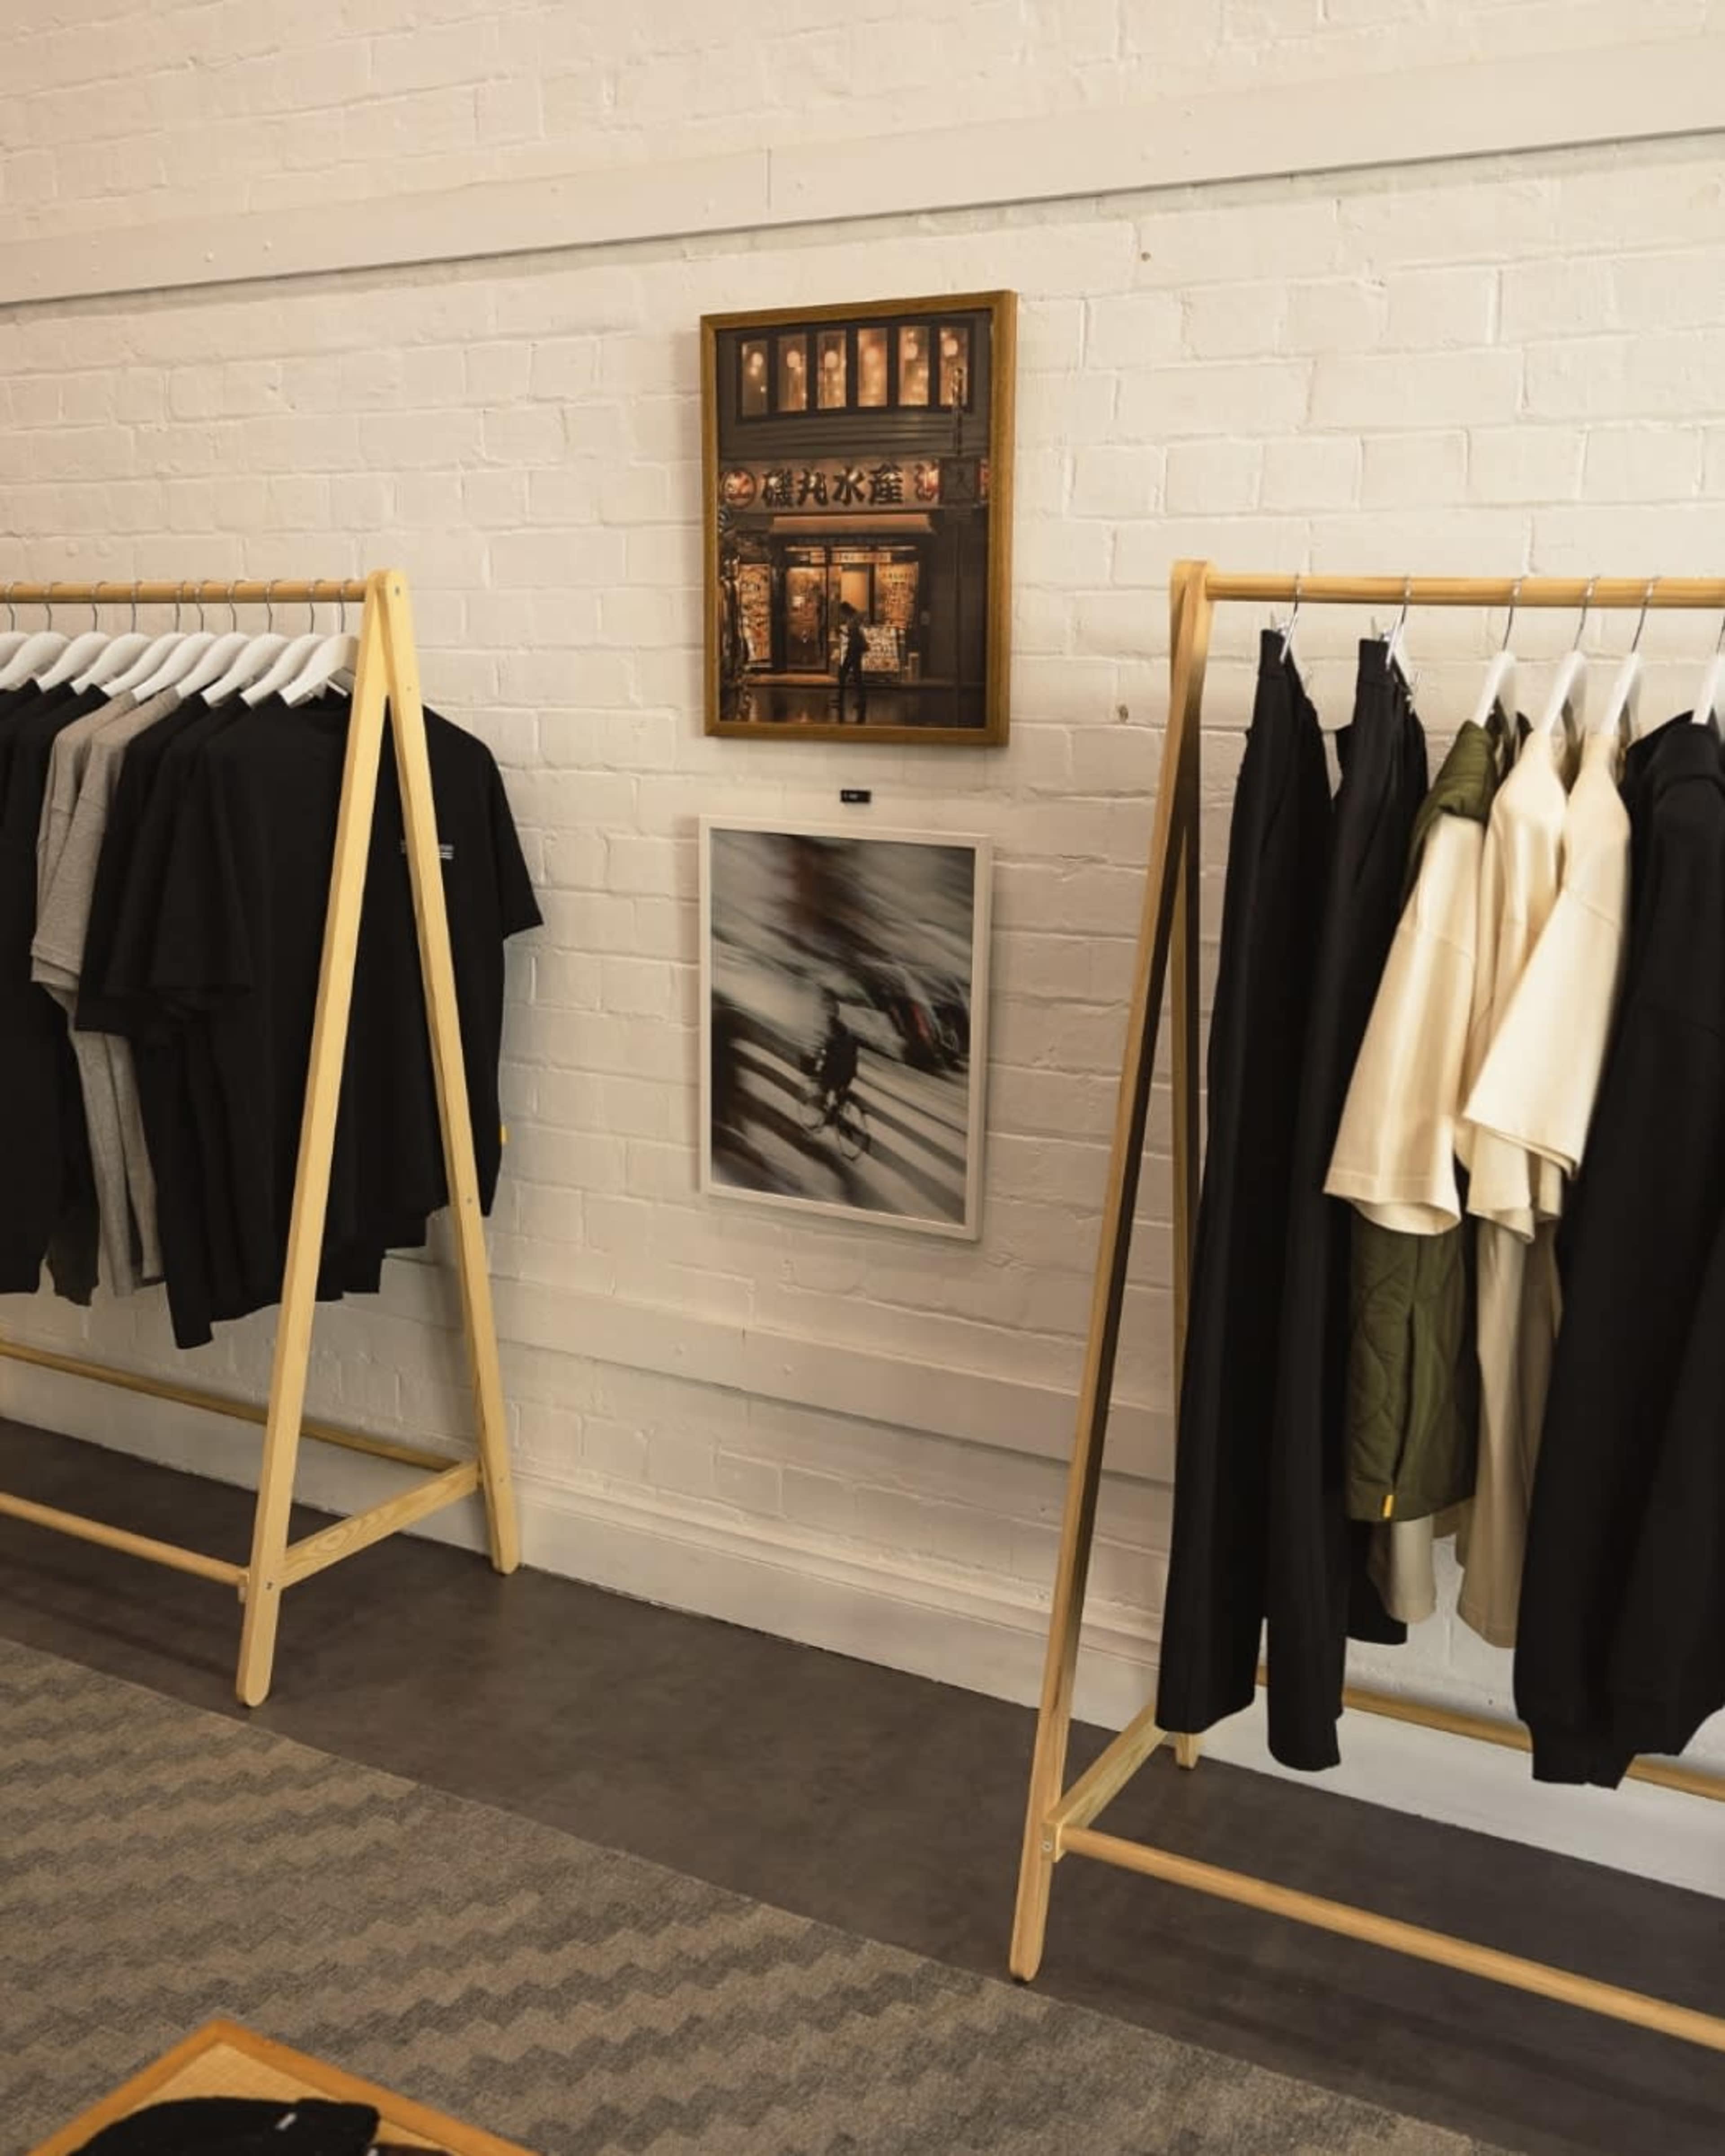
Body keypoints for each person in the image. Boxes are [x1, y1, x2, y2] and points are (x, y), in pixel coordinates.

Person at [812, 990, 860, 1121]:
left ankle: (828, 1114)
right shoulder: (846, 1033)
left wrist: (819, 1057)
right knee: (840, 1090)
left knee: (824, 1084)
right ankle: (837, 1111)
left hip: (839, 1069)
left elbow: (826, 1049)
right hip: (850, 1070)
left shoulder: (833, 1034)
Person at [835, 601, 868, 722]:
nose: (841, 615)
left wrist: (843, 633)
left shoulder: (853, 620)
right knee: (849, 675)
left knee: (849, 675)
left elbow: (855, 636)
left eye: (842, 612)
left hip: (854, 650)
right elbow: (853, 635)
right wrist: (843, 633)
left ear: (845, 611)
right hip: (854, 650)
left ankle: (859, 700)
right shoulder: (854, 619)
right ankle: (856, 699)